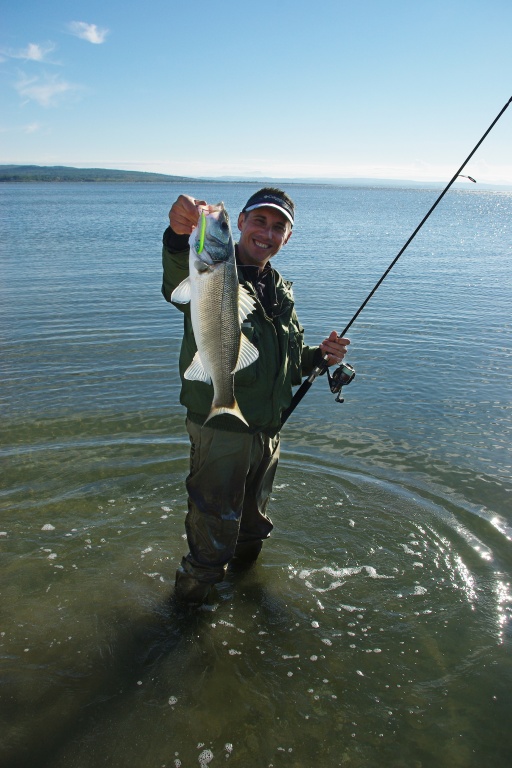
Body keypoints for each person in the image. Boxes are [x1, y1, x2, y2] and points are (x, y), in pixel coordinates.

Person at [161, 188, 350, 604]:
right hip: (222, 428)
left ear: (288, 237)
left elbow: (282, 362)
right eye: (259, 221)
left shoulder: (280, 289)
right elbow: (179, 275)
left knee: (252, 525)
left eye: (278, 226)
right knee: (212, 530)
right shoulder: (211, 268)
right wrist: (177, 236)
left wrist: (320, 356)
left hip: (268, 430)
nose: (267, 232)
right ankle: (186, 613)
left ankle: (244, 590)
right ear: (241, 223)